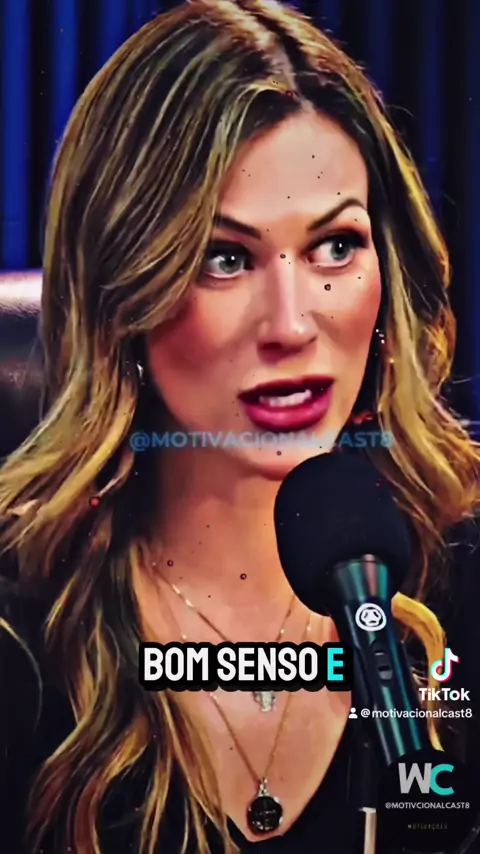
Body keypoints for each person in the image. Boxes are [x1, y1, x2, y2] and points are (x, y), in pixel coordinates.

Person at [0, 1, 479, 852]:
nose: (291, 324)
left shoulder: (461, 574)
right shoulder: (22, 630)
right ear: (121, 296)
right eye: (225, 258)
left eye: (336, 246)